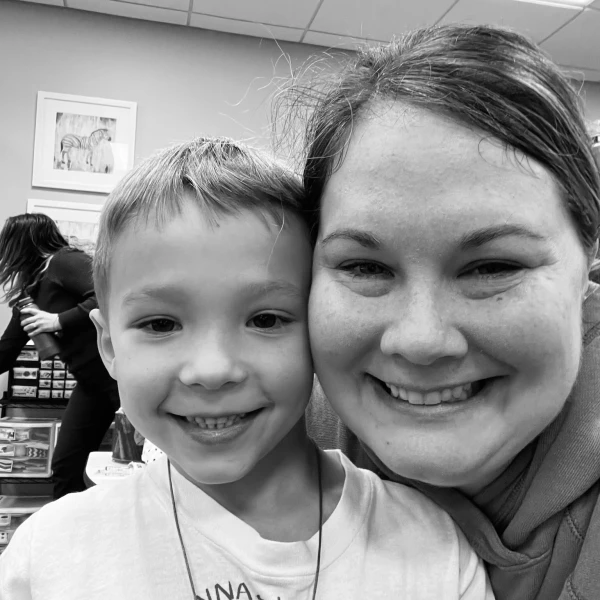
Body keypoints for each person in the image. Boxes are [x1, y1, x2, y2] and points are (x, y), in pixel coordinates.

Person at [0, 138, 492, 599]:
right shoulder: (49, 557)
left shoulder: (433, 549)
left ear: (319, 329)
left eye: (265, 319)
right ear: (108, 346)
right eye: (161, 324)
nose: (212, 371)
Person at [291, 24, 600, 600]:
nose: (421, 340)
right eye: (365, 267)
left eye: (492, 267)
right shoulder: (280, 434)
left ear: (589, 269)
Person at [0, 213, 120, 498]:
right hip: (90, 384)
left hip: (118, 376)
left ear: (22, 243)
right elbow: (6, 352)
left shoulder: (64, 261)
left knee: (142, 457)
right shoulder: (31, 292)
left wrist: (57, 321)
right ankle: (72, 524)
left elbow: (106, 296)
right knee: (66, 466)